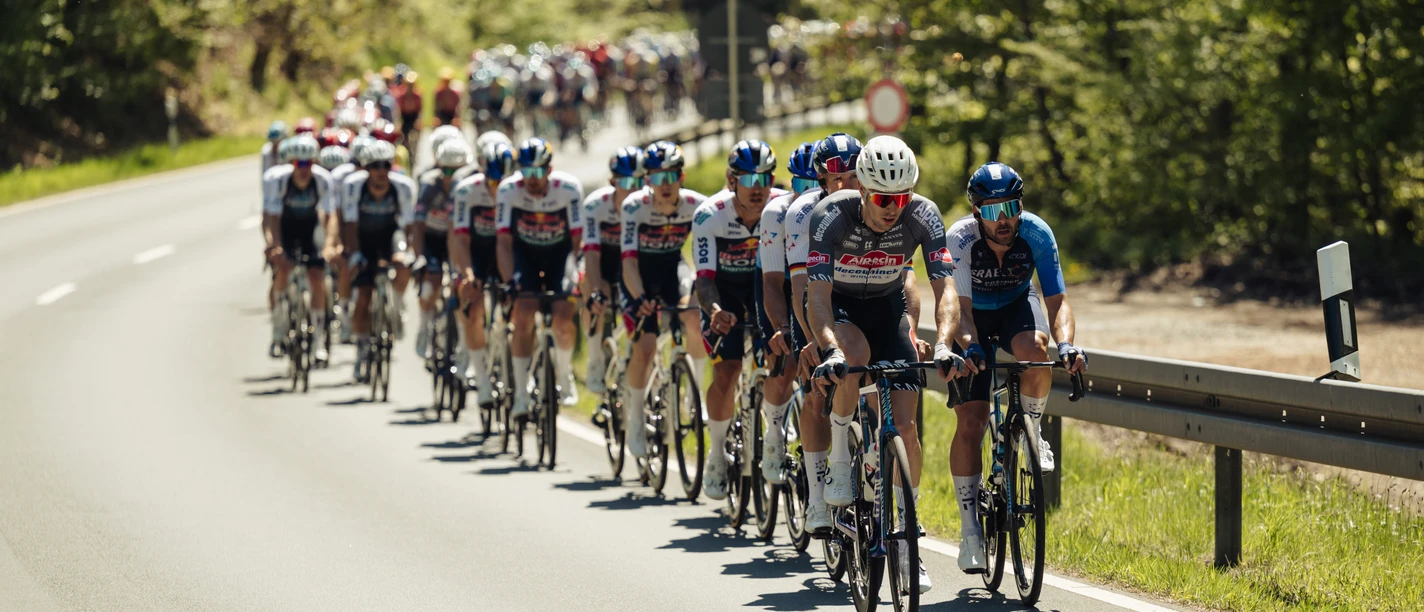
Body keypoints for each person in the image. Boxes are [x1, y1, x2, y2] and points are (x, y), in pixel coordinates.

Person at [806, 135, 968, 594]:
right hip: (839, 308)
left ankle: (906, 535)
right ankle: (840, 455)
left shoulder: (924, 215)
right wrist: (829, 348)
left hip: (887, 309)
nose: (892, 207)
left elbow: (945, 288)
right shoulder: (831, 215)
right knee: (853, 359)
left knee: (907, 425)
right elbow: (815, 296)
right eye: (882, 198)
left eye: (901, 196)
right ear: (861, 189)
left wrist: (942, 344)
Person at [944, 161, 1088, 573]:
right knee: (970, 421)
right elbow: (962, 311)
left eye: (1010, 207)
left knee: (1036, 348)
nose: (1003, 218)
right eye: (991, 210)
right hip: (972, 317)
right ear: (976, 213)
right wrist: (970, 348)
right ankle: (970, 531)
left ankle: (1032, 430)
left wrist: (1067, 345)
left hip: (1015, 308)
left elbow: (1057, 301)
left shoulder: (1037, 233)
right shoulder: (961, 240)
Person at [690, 139, 787, 499]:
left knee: (782, 359)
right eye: (748, 179)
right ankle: (716, 451)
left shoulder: (783, 207)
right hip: (724, 293)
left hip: (766, 289)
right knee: (727, 371)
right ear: (732, 182)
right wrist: (714, 312)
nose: (757, 187)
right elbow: (704, 279)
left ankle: (775, 436)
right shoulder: (708, 214)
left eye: (763, 177)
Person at [618, 141, 710, 458]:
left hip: (674, 269)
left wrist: (702, 289)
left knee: (695, 316)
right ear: (647, 181)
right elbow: (628, 261)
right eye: (658, 178)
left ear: (682, 177)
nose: (665, 184)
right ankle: (634, 420)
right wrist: (639, 296)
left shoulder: (698, 205)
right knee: (644, 347)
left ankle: (693, 396)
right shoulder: (633, 206)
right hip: (638, 276)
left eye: (671, 176)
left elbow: (704, 256)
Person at [497, 138, 584, 415]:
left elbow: (578, 239)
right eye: (526, 172)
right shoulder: (508, 190)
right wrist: (510, 280)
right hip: (526, 256)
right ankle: (521, 393)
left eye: (538, 172)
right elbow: (503, 242)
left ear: (549, 169)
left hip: (560, 256)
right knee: (522, 313)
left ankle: (564, 371)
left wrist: (576, 275)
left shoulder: (569, 188)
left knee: (563, 313)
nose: (531, 179)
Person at [755, 141, 819, 487]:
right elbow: (773, 284)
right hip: (778, 284)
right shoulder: (777, 213)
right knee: (786, 362)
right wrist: (782, 326)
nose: (809, 195)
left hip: (818, 288)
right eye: (801, 186)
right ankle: (774, 433)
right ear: (790, 185)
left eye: (815, 185)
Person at [341, 140, 418, 382]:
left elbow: (407, 225)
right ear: (366, 168)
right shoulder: (353, 186)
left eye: (386, 166)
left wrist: (408, 251)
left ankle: (396, 302)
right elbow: (350, 224)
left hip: (390, 236)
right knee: (363, 295)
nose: (381, 171)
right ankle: (361, 349)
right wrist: (354, 254)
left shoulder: (403, 186)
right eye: (375, 166)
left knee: (403, 263)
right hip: (363, 238)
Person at [451, 142, 518, 406]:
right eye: (492, 182)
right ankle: (480, 378)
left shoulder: (519, 191)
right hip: (477, 253)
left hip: (508, 253)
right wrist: (467, 273)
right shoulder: (466, 191)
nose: (498, 188)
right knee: (474, 308)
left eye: (504, 181)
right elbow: (459, 238)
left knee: (523, 307)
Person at [262, 134, 335, 363]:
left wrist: (330, 244)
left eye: (308, 163)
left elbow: (330, 216)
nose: (304, 168)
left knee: (316, 276)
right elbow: (270, 218)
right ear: (290, 163)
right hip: (284, 226)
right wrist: (274, 246)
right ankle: (277, 331)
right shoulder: (277, 179)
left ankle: (318, 341)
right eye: (298, 163)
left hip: (310, 227)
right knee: (282, 271)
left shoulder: (323, 179)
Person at [580, 146, 645, 395]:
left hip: (635, 262)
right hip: (603, 260)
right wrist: (596, 290)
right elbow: (591, 255)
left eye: (638, 181)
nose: (632, 187)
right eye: (625, 181)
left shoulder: (649, 204)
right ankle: (595, 359)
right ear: (612, 182)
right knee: (591, 290)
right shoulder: (596, 205)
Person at [412, 139, 474, 359]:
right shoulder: (429, 185)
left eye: (457, 170)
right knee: (432, 282)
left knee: (463, 287)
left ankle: (463, 342)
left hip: (457, 240)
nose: (451, 176)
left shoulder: (470, 187)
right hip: (432, 239)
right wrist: (419, 257)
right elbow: (418, 226)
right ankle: (424, 327)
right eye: (446, 170)